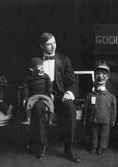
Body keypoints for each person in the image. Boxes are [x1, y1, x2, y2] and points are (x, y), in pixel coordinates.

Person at [29, 32, 80, 162]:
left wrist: (69, 93)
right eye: (49, 44)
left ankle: (69, 148)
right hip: (43, 96)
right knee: (38, 107)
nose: (53, 47)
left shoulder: (64, 60)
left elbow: (72, 81)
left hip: (60, 96)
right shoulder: (35, 61)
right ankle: (42, 145)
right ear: (41, 46)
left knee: (70, 108)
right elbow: (28, 80)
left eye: (54, 43)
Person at [83, 63, 117, 155]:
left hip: (105, 120)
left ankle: (102, 147)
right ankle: (93, 147)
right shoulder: (90, 95)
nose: (100, 76)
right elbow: (86, 109)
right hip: (93, 119)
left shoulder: (111, 97)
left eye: (104, 74)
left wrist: (112, 120)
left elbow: (113, 110)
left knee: (104, 135)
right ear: (94, 76)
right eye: (98, 74)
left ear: (107, 77)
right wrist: (85, 119)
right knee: (93, 134)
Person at [23, 57, 54, 126]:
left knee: (51, 105)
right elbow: (26, 88)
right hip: (33, 96)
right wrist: (25, 98)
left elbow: (49, 86)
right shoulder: (28, 78)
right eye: (39, 67)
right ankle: (28, 119)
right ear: (32, 69)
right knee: (28, 105)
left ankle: (50, 120)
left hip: (44, 95)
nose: (42, 68)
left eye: (42, 66)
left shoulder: (46, 76)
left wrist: (50, 93)